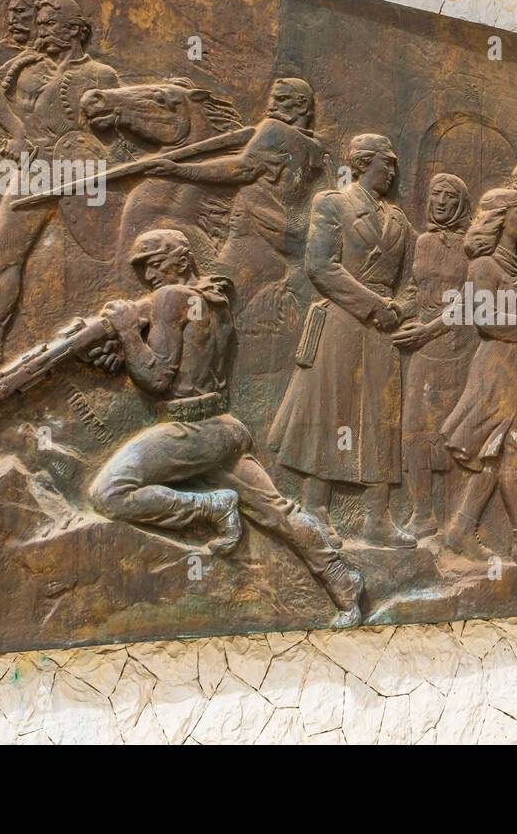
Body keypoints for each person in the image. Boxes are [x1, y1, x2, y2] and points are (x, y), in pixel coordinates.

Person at [86, 229, 364, 627]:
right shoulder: (213, 297)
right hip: (223, 428)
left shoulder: (170, 298)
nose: (148, 276)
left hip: (187, 431)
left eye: (155, 264)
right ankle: (344, 581)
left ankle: (212, 506)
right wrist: (123, 349)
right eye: (142, 268)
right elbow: (184, 358)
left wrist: (130, 332)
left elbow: (158, 377)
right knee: (278, 512)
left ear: (181, 260)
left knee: (107, 493)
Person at [0, 0, 120, 380]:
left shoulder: (101, 73)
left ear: (73, 28)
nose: (42, 30)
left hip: (78, 177)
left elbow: (115, 133)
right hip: (33, 172)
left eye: (50, 23)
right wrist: (18, 131)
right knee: (0, 257)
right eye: (41, 23)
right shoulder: (32, 67)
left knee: (73, 261)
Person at [268, 133, 418, 548]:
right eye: (386, 163)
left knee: (381, 417)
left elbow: (412, 282)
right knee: (332, 410)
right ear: (364, 162)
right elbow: (321, 266)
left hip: (383, 330)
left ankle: (377, 518)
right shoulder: (333, 203)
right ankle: (315, 508)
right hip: (343, 320)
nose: (392, 171)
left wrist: (400, 309)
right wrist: (374, 304)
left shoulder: (400, 220)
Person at [441, 187, 517, 565]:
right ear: (500, 219)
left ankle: (461, 530)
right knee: (511, 444)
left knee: (497, 450)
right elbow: (483, 319)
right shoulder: (484, 266)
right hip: (497, 364)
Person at [144, 77, 329, 322]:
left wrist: (179, 169)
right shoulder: (317, 148)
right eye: (272, 98)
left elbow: (243, 169)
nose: (271, 106)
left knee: (207, 306)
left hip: (255, 235)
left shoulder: (274, 130)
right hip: (290, 239)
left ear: (303, 105)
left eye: (281, 100)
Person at [393, 173, 475, 538]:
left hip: (458, 344)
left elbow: (474, 301)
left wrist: (429, 329)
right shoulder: (422, 241)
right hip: (422, 344)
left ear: (460, 203)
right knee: (415, 428)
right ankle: (422, 513)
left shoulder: (473, 245)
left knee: (456, 430)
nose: (441, 202)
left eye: (449, 196)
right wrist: (394, 310)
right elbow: (414, 287)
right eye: (435, 194)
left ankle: (458, 517)